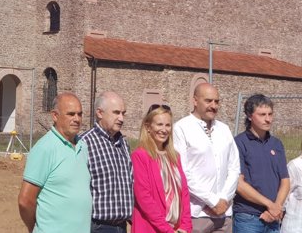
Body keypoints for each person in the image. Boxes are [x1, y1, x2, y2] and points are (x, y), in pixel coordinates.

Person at [18, 92, 92, 233]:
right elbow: (25, 200)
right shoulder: (45, 148)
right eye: (71, 114)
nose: (77, 119)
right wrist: (34, 227)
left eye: (80, 114)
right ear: (55, 116)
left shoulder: (83, 147)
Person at [173, 82, 240, 233]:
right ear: (195, 101)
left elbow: (234, 167)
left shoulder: (224, 129)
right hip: (197, 213)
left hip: (224, 214)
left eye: (216, 101)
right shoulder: (182, 128)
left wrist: (223, 199)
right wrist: (212, 201)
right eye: (208, 101)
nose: (213, 106)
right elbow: (182, 172)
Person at [233, 94, 289, 233]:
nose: (268, 119)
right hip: (248, 217)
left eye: (270, 114)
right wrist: (270, 205)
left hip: (273, 217)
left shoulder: (276, 144)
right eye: (262, 114)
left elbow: (285, 180)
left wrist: (276, 207)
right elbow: (239, 184)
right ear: (249, 116)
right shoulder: (239, 143)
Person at [132, 104, 192, 233]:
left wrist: (185, 227)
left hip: (177, 228)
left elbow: (185, 194)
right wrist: (166, 230)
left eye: (168, 125)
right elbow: (144, 198)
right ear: (148, 127)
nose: (164, 130)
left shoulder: (175, 157)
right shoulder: (140, 156)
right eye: (159, 124)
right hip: (151, 228)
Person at [80, 91, 134, 232]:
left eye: (123, 113)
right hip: (98, 226)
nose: (121, 118)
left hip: (122, 226)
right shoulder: (85, 143)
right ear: (100, 113)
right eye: (116, 112)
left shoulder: (123, 143)